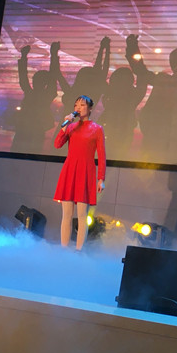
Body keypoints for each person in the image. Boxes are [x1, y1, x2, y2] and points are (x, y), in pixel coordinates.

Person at [53, 94, 106, 250]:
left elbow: (101, 156)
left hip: (85, 172)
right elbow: (57, 144)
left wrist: (101, 178)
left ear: (90, 109)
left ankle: (79, 251)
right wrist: (64, 127)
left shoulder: (97, 129)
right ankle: (64, 250)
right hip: (70, 170)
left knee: (82, 216)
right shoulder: (70, 127)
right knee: (66, 215)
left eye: (82, 105)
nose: (78, 108)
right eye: (76, 105)